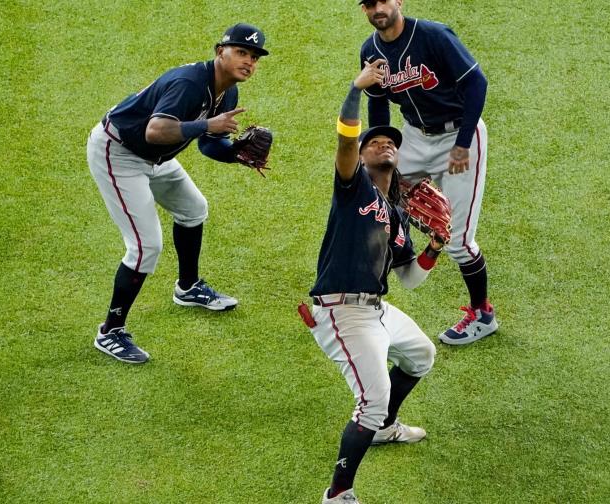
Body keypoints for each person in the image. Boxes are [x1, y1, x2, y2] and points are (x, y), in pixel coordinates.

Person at [86, 23, 269, 364]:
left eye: (255, 57)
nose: (249, 61)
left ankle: (187, 287)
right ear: (220, 52)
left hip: (156, 158)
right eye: (242, 52)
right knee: (146, 247)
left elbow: (209, 144)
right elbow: (155, 131)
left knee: (193, 208)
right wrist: (208, 125)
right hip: (119, 152)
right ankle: (110, 331)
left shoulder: (227, 92)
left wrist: (234, 154)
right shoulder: (189, 83)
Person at [305, 60, 441, 504]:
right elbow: (346, 138)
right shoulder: (353, 189)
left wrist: (435, 247)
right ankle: (338, 494)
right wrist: (356, 88)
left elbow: (410, 278)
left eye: (391, 143)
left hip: (377, 309)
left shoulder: (397, 216)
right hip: (341, 311)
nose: (385, 145)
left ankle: (383, 429)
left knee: (421, 354)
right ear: (362, 157)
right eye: (375, 142)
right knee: (372, 399)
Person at [357, 0, 498, 345]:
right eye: (369, 4)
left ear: (398, 2)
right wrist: (381, 152)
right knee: (378, 195)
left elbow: (476, 83)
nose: (377, 8)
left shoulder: (434, 36)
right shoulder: (370, 50)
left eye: (382, 0)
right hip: (415, 136)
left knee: (459, 242)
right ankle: (395, 260)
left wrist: (462, 144)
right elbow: (377, 101)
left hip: (460, 135)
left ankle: (482, 314)